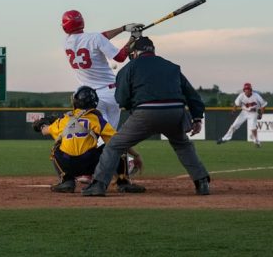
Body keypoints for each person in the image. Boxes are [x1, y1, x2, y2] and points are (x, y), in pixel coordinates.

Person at [82, 37, 211, 197]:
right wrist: (197, 118)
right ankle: (202, 182)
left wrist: (133, 108)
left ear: (135, 52)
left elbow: (121, 99)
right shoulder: (172, 67)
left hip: (146, 112)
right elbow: (192, 95)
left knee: (114, 146)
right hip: (175, 112)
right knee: (183, 145)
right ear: (152, 50)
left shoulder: (129, 68)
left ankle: (99, 185)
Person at [61, 9, 145, 192]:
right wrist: (133, 38)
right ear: (82, 22)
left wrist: (123, 28)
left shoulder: (67, 42)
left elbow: (99, 37)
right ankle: (121, 177)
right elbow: (120, 57)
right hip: (108, 94)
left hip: (86, 98)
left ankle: (86, 173)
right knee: (112, 138)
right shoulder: (94, 39)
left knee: (90, 136)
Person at [34, 86, 143, 193]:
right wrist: (136, 155)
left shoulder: (64, 120)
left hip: (68, 164)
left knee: (55, 149)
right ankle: (123, 182)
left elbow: (45, 130)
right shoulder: (96, 119)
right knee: (115, 145)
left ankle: (66, 181)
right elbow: (119, 140)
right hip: (90, 163)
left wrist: (41, 125)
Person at [216, 82, 267, 148]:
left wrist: (261, 114)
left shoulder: (256, 95)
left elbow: (263, 105)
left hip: (253, 113)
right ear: (244, 90)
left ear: (251, 90)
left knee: (253, 128)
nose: (247, 90)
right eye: (245, 89)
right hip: (244, 112)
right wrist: (233, 111)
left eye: (248, 89)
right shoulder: (241, 95)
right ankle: (225, 138)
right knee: (234, 126)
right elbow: (236, 104)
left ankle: (256, 141)